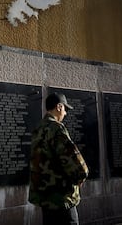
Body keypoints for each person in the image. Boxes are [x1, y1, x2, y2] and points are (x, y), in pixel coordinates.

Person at [29, 93, 89, 225]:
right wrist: (81, 176)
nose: (65, 113)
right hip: (62, 199)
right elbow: (73, 158)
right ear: (59, 107)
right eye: (65, 109)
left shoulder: (38, 129)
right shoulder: (56, 128)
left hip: (45, 198)